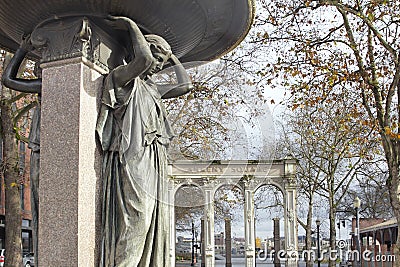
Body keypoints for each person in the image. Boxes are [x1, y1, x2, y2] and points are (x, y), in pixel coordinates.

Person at [96, 16, 193, 267]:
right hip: (134, 156)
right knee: (137, 220)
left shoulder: (151, 90)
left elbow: (185, 85)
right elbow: (144, 60)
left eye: (162, 62)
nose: (157, 65)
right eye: (156, 58)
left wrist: (171, 56)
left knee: (150, 222)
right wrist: (130, 25)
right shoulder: (122, 79)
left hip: (153, 159)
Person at [1, 36, 41, 265]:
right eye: (37, 67)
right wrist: (22, 49)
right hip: (40, 148)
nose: (39, 70)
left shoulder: (48, 85)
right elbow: (8, 79)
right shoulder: (44, 85)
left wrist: (23, 50)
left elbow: (8, 78)